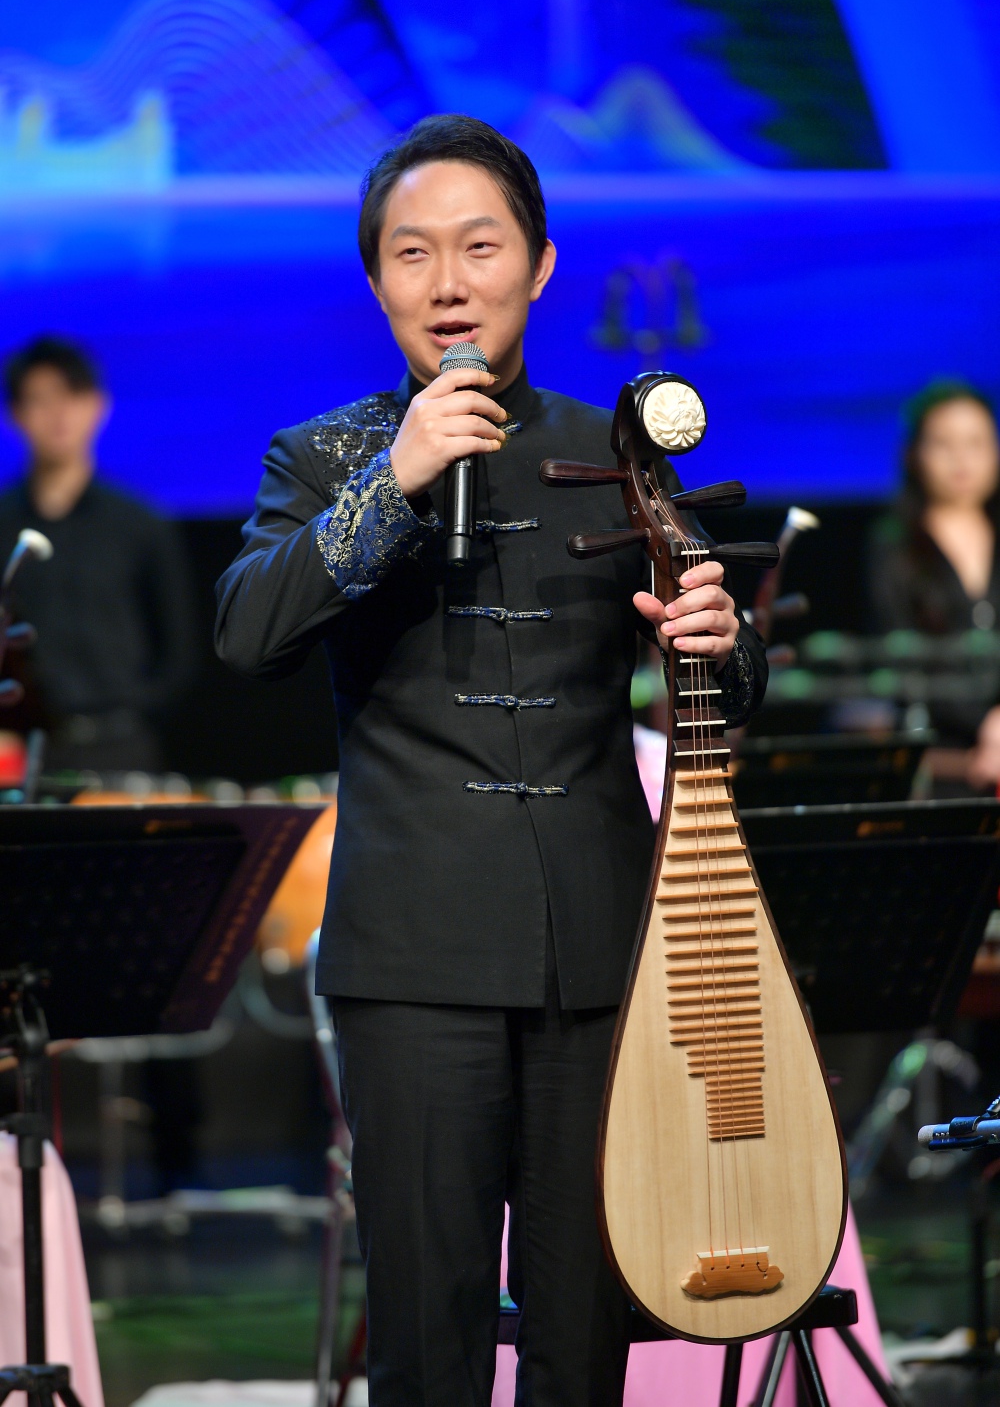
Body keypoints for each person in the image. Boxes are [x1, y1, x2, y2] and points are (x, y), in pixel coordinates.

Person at [216, 115, 767, 1406]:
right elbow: (246, 635)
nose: (448, 283)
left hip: (599, 958)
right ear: (377, 281)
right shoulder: (326, 455)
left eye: (479, 246)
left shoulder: (619, 453)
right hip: (414, 963)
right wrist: (396, 482)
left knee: (583, 1346)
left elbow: (725, 689)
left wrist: (722, 639)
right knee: (428, 1345)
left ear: (540, 264)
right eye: (413, 253)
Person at [0, 336, 196, 774]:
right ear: (15, 414)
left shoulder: (139, 522)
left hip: (124, 746)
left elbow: (177, 649)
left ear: (97, 405)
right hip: (27, 751)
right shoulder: (3, 526)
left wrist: (138, 713)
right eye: (39, 399)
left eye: (71, 395)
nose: (58, 414)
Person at [866, 379, 1000, 786]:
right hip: (942, 758)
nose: (962, 459)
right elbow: (901, 659)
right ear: (915, 453)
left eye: (976, 443)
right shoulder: (894, 547)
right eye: (944, 443)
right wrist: (983, 727)